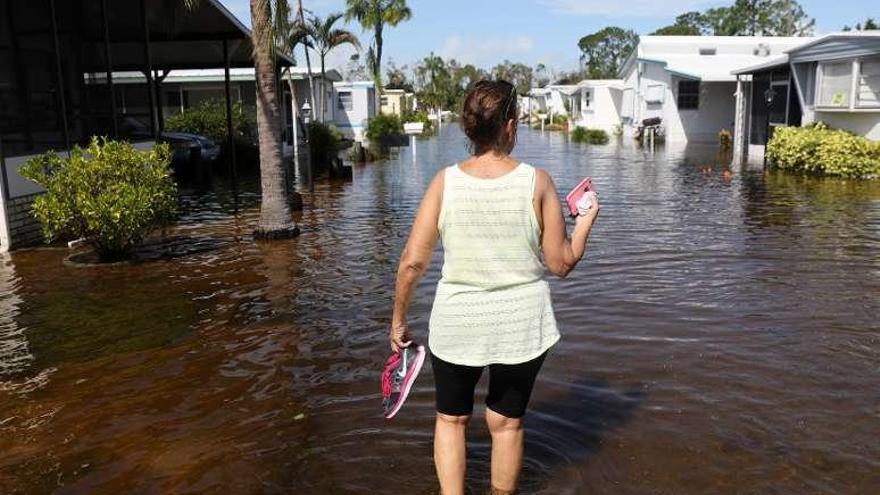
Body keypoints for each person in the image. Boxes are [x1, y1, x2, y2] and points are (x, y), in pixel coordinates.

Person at [389, 80, 600, 495]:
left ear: (469, 128)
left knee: (451, 420)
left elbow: (413, 261)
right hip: (521, 325)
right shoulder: (537, 182)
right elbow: (560, 263)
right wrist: (586, 224)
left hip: (457, 322)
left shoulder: (443, 182)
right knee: (505, 424)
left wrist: (398, 319)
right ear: (510, 125)